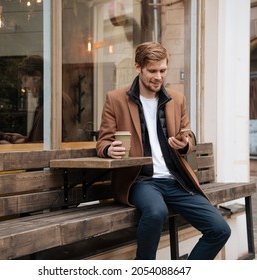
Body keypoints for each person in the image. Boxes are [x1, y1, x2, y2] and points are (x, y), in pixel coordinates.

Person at [96, 42, 231, 260]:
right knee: (156, 211)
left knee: (220, 230)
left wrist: (184, 144)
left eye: (163, 70)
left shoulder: (177, 100)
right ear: (138, 67)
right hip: (140, 180)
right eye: (152, 71)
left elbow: (189, 139)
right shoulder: (116, 99)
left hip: (176, 180)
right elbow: (102, 143)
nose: (158, 76)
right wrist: (109, 149)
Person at [0, 55, 44, 144]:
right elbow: (43, 142)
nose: (25, 86)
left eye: (25, 79)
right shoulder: (45, 104)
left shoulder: (53, 104)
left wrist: (11, 148)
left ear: (37, 77)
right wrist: (25, 140)